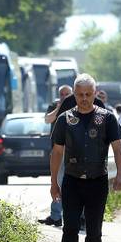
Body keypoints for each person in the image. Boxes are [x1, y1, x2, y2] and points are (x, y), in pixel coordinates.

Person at [51, 74, 121, 242]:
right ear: (74, 95)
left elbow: (118, 148)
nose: (84, 99)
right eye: (80, 95)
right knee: (70, 229)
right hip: (72, 181)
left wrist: (120, 175)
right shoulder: (65, 119)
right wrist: (54, 183)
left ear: (95, 94)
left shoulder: (107, 118)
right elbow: (57, 152)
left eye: (88, 94)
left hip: (97, 181)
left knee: (94, 231)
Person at [39, 85, 73, 226]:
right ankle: (56, 216)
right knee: (57, 183)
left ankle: (78, 216)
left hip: (73, 150)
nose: (64, 96)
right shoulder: (54, 105)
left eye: (67, 94)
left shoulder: (76, 104)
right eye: (62, 94)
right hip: (58, 150)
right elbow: (47, 119)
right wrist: (59, 108)